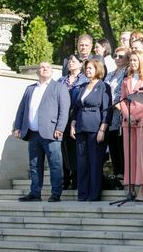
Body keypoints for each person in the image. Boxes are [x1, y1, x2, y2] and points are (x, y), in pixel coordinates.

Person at [13, 62, 70, 202]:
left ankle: (56, 194)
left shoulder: (59, 87)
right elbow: (22, 109)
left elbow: (64, 110)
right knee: (34, 165)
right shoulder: (30, 89)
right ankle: (35, 193)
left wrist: (60, 128)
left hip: (51, 132)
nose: (44, 69)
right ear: (37, 71)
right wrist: (17, 127)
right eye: (41, 67)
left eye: (47, 67)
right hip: (32, 133)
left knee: (55, 165)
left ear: (52, 71)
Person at [70, 59, 112, 201]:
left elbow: (106, 110)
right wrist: (73, 124)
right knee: (82, 162)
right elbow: (76, 108)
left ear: (98, 69)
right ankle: (83, 194)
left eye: (91, 68)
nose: (88, 70)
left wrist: (102, 129)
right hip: (81, 127)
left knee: (95, 162)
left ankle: (94, 195)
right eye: (86, 68)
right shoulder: (82, 86)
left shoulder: (103, 86)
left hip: (96, 128)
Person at [120, 52, 143, 201]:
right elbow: (122, 100)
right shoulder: (126, 80)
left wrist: (137, 116)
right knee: (130, 155)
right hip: (129, 121)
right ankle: (130, 187)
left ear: (141, 61)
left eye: (135, 60)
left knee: (142, 155)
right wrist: (128, 116)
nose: (132, 62)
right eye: (131, 60)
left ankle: (142, 188)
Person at [57, 55, 88, 190]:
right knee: (63, 149)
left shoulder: (84, 80)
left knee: (75, 149)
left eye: (74, 61)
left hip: (76, 117)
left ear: (81, 64)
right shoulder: (61, 80)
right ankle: (65, 178)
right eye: (69, 61)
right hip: (62, 118)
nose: (70, 63)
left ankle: (75, 178)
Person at [104, 47, 130, 179]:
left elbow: (124, 90)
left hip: (120, 111)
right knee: (112, 142)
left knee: (121, 143)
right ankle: (117, 171)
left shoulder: (128, 72)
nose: (117, 58)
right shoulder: (110, 73)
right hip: (109, 112)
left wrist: (117, 103)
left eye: (121, 56)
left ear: (127, 58)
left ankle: (123, 172)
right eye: (115, 55)